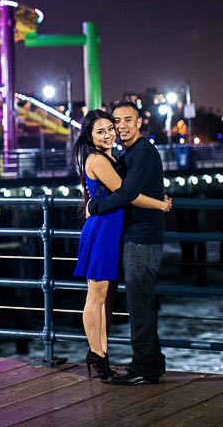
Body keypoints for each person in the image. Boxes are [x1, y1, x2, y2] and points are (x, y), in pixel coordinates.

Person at [73, 110, 171, 380]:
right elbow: (127, 194)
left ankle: (105, 356)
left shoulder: (119, 156)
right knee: (98, 297)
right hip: (105, 231)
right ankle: (99, 355)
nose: (110, 133)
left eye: (110, 128)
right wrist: (160, 204)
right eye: (102, 130)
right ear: (89, 136)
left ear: (139, 123)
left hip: (115, 231)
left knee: (105, 298)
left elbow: (127, 191)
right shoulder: (100, 159)